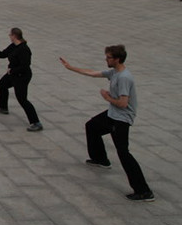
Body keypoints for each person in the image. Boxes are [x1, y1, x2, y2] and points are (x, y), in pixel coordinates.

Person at [60, 46, 154, 202]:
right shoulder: (114, 72)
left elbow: (124, 104)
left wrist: (107, 98)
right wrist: (70, 68)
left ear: (117, 59)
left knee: (124, 153)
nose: (106, 60)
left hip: (121, 119)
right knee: (92, 126)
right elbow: (93, 73)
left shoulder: (124, 77)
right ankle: (101, 159)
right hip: (112, 114)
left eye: (108, 57)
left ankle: (144, 191)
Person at [0, 28, 42, 131]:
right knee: (2, 84)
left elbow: (25, 66)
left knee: (22, 99)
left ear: (14, 36)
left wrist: (12, 70)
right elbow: (2, 55)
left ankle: (36, 122)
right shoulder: (13, 46)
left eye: (10, 35)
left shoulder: (24, 49)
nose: (9, 36)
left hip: (22, 76)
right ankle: (3, 107)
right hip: (13, 73)